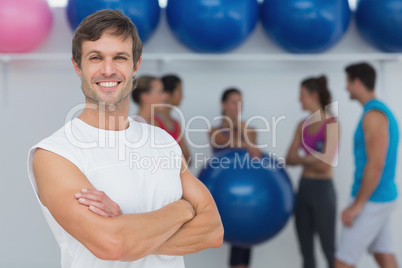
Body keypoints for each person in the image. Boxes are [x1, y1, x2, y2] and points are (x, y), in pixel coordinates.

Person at [27, 10, 223, 268]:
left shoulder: (162, 140)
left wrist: (131, 233)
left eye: (120, 57)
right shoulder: (55, 154)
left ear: (135, 66)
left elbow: (213, 231)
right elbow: (113, 244)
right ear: (77, 66)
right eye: (96, 58)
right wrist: (183, 209)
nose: (108, 70)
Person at [335, 63, 399, 268]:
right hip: (379, 196)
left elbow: (377, 164)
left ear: (357, 82)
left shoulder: (374, 116)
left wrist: (357, 205)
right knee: (383, 254)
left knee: (342, 262)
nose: (346, 89)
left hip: (371, 199)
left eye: (347, 83)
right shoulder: (377, 112)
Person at [286, 76, 339, 268]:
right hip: (305, 189)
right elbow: (288, 158)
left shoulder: (331, 123)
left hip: (323, 191)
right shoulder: (303, 125)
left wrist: (304, 159)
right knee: (306, 253)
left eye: (302, 95)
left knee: (329, 250)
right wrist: (312, 159)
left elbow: (326, 164)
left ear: (314, 95)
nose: (299, 100)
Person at [209, 88, 261, 268]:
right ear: (223, 105)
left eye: (240, 102)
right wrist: (245, 144)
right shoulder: (215, 131)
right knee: (235, 241)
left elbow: (252, 143)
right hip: (222, 194)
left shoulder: (249, 129)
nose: (237, 106)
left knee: (243, 240)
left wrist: (240, 127)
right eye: (233, 102)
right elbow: (225, 143)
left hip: (247, 194)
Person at [157, 74, 191, 165]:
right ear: (168, 94)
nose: (182, 96)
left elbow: (188, 158)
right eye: (179, 91)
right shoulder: (153, 121)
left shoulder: (176, 123)